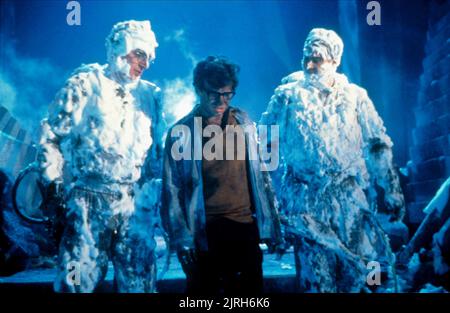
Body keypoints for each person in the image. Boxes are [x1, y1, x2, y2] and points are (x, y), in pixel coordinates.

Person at [260, 28, 405, 292]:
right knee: (317, 277)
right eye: (306, 57)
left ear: (335, 61)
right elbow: (266, 142)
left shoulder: (355, 96)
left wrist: (392, 188)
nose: (310, 65)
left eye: (318, 59)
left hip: (348, 198)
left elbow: (376, 143)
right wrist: (268, 198)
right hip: (305, 201)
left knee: (355, 275)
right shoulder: (287, 96)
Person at [38, 20, 164, 292]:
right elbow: (51, 135)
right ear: (121, 49)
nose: (146, 63)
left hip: (133, 203)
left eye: (150, 57)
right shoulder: (85, 84)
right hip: (89, 200)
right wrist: (53, 182)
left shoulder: (150, 95)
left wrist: (154, 198)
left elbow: (155, 155)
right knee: (77, 281)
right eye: (140, 54)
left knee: (139, 283)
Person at [161, 56, 283, 294]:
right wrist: (182, 239)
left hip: (243, 228)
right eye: (214, 93)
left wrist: (269, 226)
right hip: (205, 233)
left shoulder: (244, 124)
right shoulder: (182, 132)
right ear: (198, 89)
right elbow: (171, 189)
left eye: (227, 94)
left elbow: (261, 178)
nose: (221, 100)